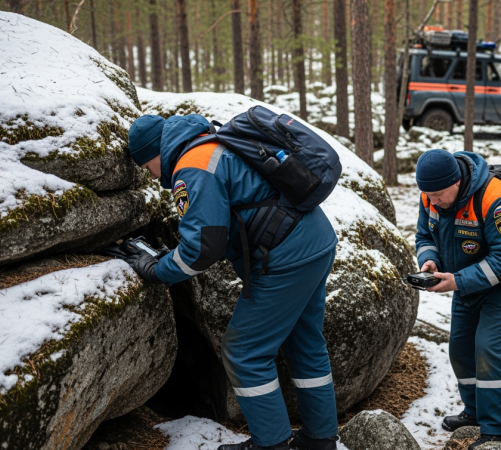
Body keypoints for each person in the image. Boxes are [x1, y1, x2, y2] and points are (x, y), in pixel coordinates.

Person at [125, 114, 340, 450]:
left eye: (145, 165)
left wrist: (157, 270)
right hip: (315, 242)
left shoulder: (192, 166)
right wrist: (174, 253)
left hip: (286, 258)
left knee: (244, 351)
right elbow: (226, 224)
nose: (150, 175)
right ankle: (320, 438)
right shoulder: (214, 143)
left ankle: (271, 444)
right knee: (304, 342)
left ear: (155, 152)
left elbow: (202, 249)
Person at [414, 149, 501, 450]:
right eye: (428, 194)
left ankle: (496, 429)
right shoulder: (430, 196)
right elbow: (424, 236)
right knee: (460, 349)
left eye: (439, 194)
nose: (434, 201)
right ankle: (475, 411)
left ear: (456, 182)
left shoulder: (496, 198)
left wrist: (457, 281)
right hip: (465, 282)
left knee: (488, 351)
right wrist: (429, 261)